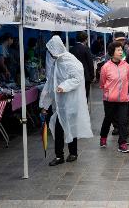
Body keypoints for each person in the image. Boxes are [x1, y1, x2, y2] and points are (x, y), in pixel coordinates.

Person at [39, 36, 93, 166]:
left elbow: (77, 78)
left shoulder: (71, 61)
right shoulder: (56, 63)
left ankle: (72, 153)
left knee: (70, 128)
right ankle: (59, 156)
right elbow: (50, 84)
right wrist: (44, 104)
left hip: (71, 102)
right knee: (59, 129)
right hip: (60, 104)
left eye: (51, 50)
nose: (51, 53)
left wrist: (64, 86)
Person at [99, 42, 129, 153]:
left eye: (121, 50)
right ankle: (103, 137)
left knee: (123, 121)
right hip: (109, 100)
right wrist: (109, 91)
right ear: (112, 53)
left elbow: (127, 79)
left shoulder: (126, 66)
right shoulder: (105, 67)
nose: (121, 52)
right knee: (108, 119)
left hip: (123, 99)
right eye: (118, 50)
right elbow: (102, 83)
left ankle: (122, 143)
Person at [70, 31, 95, 100]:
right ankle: (84, 110)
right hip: (85, 76)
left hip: (74, 76)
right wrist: (92, 76)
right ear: (86, 39)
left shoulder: (71, 49)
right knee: (85, 97)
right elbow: (90, 63)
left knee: (76, 97)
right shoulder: (86, 48)